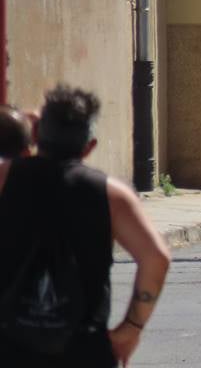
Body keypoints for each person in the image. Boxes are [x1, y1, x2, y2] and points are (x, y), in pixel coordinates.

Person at [0, 85, 171, 367]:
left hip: (11, 345)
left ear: (36, 134)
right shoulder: (111, 195)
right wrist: (131, 328)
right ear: (89, 146)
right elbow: (156, 258)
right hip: (82, 347)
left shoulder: (6, 179)